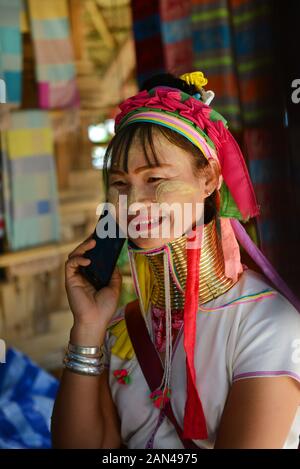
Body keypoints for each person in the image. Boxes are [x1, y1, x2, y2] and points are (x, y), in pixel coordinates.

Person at [51, 72, 300, 449]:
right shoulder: (120, 329)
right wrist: (86, 329)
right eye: (120, 184)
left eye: (155, 179)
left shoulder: (266, 326)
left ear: (209, 179)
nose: (133, 203)